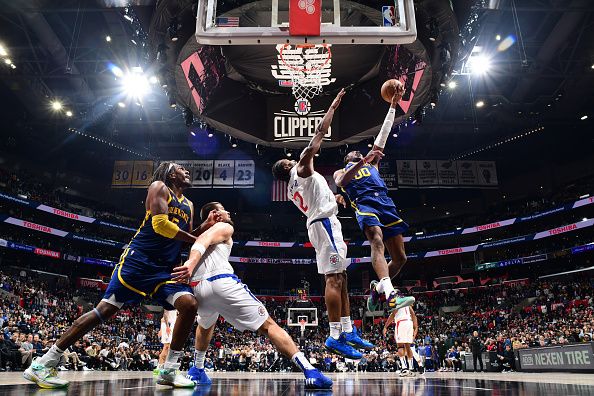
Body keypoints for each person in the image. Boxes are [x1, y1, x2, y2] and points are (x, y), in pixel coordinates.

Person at [24, 162, 218, 389]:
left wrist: (204, 227)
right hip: (139, 260)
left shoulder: (189, 205)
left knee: (189, 305)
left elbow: (183, 236)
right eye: (181, 168)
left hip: (164, 269)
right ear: (170, 173)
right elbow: (161, 226)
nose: (186, 171)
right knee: (104, 310)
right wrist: (197, 240)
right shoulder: (158, 187)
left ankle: (169, 369)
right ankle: (43, 363)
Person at [170, 202, 333, 390]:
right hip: (220, 281)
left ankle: (198, 369)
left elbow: (189, 241)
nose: (228, 211)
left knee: (206, 324)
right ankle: (310, 371)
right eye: (224, 208)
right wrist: (190, 264)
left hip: (198, 289)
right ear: (215, 214)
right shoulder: (223, 226)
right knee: (269, 326)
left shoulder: (193, 235)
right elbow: (202, 242)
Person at [271, 89, 374, 359]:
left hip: (325, 222)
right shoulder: (300, 168)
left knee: (341, 277)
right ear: (286, 167)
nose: (293, 158)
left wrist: (335, 197)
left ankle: (348, 330)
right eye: (288, 160)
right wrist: (333, 106)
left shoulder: (296, 182)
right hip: (324, 225)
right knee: (333, 278)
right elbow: (318, 133)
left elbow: (317, 194)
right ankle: (334, 335)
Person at [333, 86, 414, 312]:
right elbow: (341, 183)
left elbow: (383, 134)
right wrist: (361, 161)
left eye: (360, 154)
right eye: (354, 154)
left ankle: (377, 288)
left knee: (400, 259)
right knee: (376, 240)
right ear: (348, 158)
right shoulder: (342, 171)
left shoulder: (371, 162)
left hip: (386, 203)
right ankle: (390, 294)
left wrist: (392, 106)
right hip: (365, 204)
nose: (357, 153)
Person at [383, 305, 421, 376]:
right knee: (408, 346)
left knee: (400, 346)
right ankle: (411, 369)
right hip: (409, 323)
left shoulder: (397, 304)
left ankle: (404, 368)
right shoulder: (408, 305)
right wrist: (415, 327)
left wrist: (385, 327)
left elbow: (392, 315)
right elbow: (413, 315)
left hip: (401, 323)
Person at [154, 309, 178, 375]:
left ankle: (165, 366)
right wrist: (166, 327)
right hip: (167, 325)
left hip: (172, 325)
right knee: (166, 347)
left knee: (170, 348)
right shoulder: (169, 301)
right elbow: (165, 315)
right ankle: (159, 367)